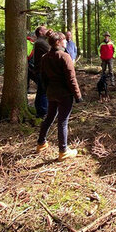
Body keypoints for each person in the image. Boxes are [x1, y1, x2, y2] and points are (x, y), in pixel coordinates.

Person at [36, 31, 83, 161]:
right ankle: (63, 151)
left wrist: (47, 90)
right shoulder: (64, 56)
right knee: (63, 121)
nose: (65, 42)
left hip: (52, 93)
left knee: (49, 117)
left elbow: (43, 77)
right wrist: (78, 95)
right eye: (63, 40)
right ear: (58, 42)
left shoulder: (45, 57)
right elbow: (71, 78)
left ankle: (41, 143)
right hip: (64, 94)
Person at [33, 25, 51, 118]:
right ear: (40, 32)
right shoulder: (40, 42)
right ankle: (43, 113)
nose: (47, 30)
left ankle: (40, 112)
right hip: (41, 71)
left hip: (41, 71)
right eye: (45, 29)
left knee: (41, 92)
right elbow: (52, 50)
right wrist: (52, 37)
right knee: (44, 92)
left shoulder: (42, 41)